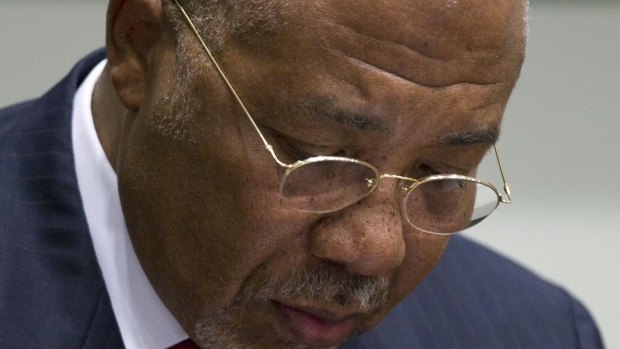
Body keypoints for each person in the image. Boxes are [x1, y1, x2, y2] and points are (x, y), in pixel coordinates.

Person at [0, 0, 604, 348]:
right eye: (321, 157)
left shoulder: (533, 332)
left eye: (441, 171)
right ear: (141, 44)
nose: (375, 249)